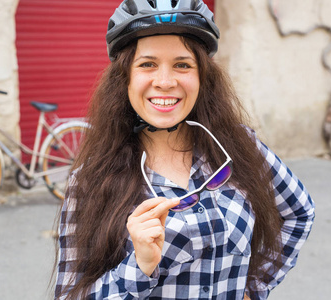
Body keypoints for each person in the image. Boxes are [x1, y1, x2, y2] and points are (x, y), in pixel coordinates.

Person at [53, 0, 315, 299]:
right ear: (124, 79)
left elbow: (299, 212)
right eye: (147, 64)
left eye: (182, 65)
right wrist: (139, 266)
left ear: (202, 78)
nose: (165, 82)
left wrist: (254, 287)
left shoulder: (240, 147)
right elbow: (71, 294)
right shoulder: (89, 181)